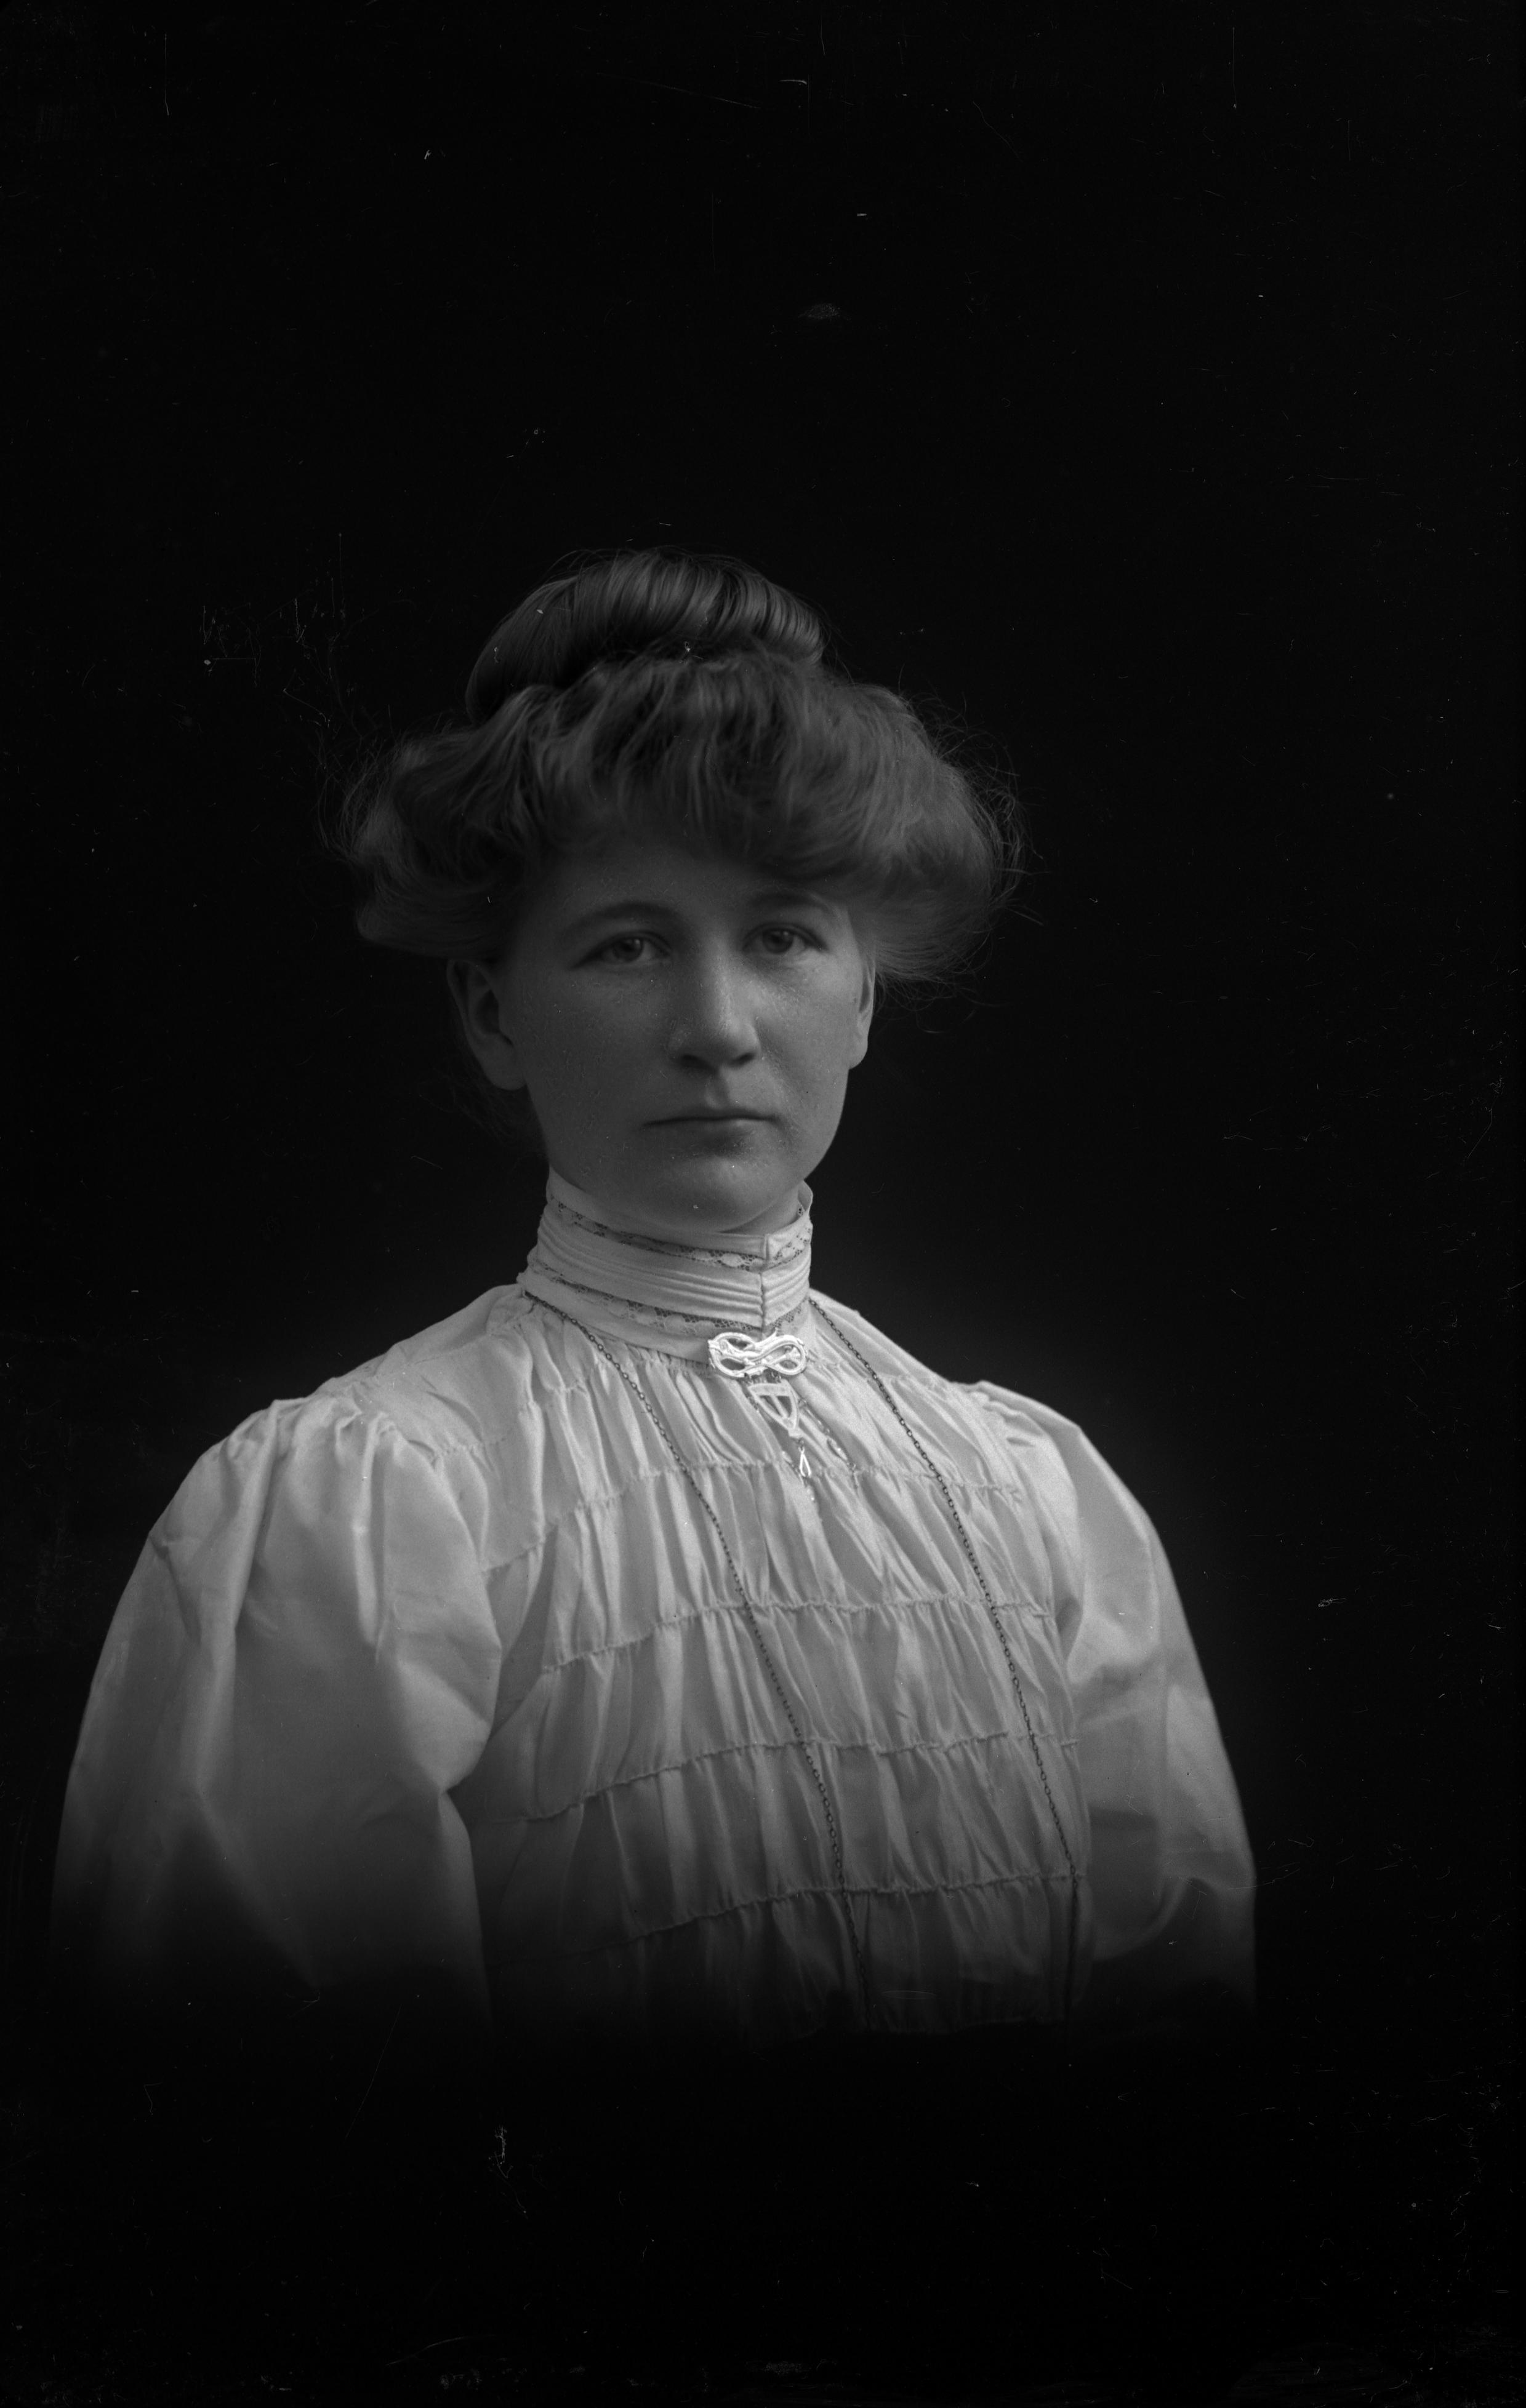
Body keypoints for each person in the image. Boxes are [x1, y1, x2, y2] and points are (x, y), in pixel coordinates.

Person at [49, 548, 1254, 2072]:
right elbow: (301, 2119)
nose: (716, 1027)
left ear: (864, 998)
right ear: (493, 1012)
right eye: (627, 945)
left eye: (783, 937)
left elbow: (1180, 2047)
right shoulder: (377, 1491)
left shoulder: (1031, 1488)